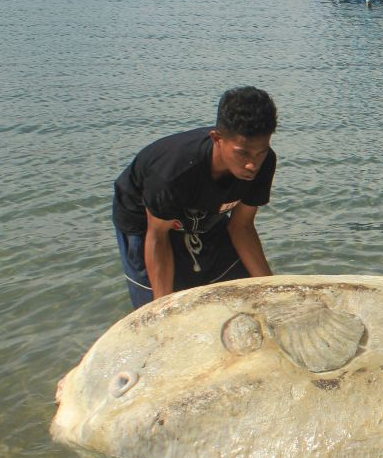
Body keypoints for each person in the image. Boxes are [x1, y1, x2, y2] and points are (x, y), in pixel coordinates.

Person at [112, 87, 278, 308]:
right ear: (217, 138)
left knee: (247, 297)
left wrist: (272, 290)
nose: (252, 164)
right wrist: (164, 309)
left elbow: (241, 227)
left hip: (205, 214)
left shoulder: (263, 164)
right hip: (148, 223)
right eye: (243, 153)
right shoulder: (173, 173)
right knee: (162, 307)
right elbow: (158, 237)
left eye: (260, 152)